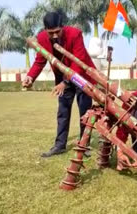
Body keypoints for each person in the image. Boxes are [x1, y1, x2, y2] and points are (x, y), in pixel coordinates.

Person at [22, 10, 96, 157]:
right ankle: (60, 145)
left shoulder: (75, 34)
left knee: (85, 112)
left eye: (57, 31)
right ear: (45, 30)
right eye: (51, 33)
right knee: (63, 111)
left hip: (81, 76)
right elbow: (40, 60)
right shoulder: (42, 38)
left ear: (63, 27)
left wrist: (65, 82)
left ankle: (84, 146)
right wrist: (30, 77)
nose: (54, 36)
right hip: (62, 78)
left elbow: (79, 61)